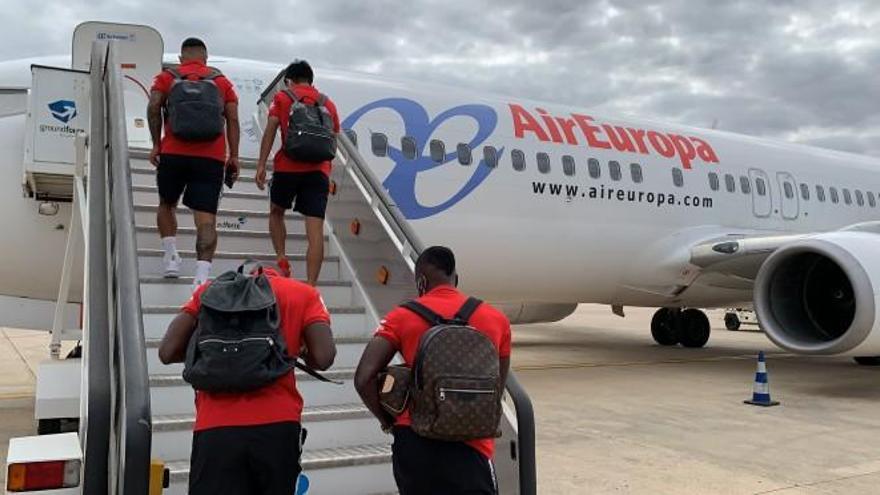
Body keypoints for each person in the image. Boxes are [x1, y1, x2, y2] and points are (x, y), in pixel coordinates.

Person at [158, 264, 336, 495]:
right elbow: (324, 357)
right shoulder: (302, 293)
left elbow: (167, 352)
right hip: (277, 427)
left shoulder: (209, 292)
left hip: (215, 428)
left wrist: (207, 355)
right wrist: (293, 350)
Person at [354, 246, 512, 495]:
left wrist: (389, 423)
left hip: (416, 439)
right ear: (456, 279)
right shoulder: (496, 319)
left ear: (421, 282)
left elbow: (364, 379)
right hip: (473, 445)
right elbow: (497, 388)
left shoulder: (402, 316)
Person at [147, 37, 240, 289]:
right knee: (206, 219)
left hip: (174, 153)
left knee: (167, 204)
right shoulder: (222, 82)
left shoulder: (167, 77)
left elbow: (154, 106)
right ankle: (201, 276)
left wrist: (156, 144)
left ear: (181, 58)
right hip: (210, 158)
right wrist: (233, 156)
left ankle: (171, 257)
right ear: (206, 58)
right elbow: (232, 119)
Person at [255, 60, 340, 285]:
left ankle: (282, 258)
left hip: (288, 168)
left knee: (276, 212)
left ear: (288, 80)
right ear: (311, 80)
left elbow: (271, 130)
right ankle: (311, 286)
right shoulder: (327, 104)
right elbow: (334, 139)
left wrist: (262, 164)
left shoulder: (283, 98)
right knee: (315, 231)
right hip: (318, 172)